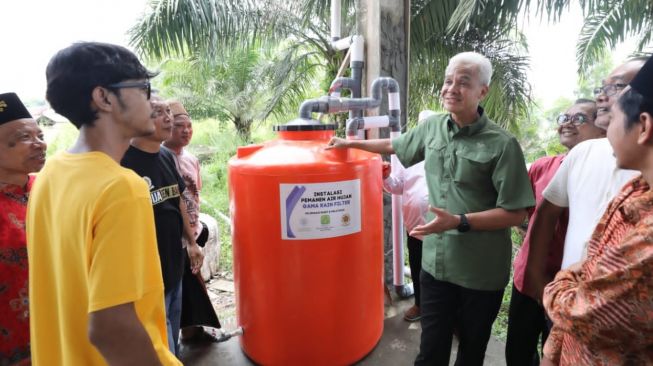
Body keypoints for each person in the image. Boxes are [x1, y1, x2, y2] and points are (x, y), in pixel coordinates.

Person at [327, 52, 535, 365]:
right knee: (430, 349)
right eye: (448, 80)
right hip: (436, 265)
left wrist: (459, 221)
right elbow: (394, 146)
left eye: (463, 82)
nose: (452, 88)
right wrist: (349, 144)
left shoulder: (502, 145)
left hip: (480, 271)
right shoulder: (433, 127)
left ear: (483, 91)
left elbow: (517, 213)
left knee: (471, 350)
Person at [26, 42, 180, 365]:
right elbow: (111, 328)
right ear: (104, 98)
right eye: (143, 89)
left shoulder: (48, 175)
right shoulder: (121, 187)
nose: (151, 102)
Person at [541, 57, 653, 365]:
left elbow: (582, 313)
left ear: (643, 126)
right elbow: (593, 257)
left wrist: (559, 284)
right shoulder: (637, 190)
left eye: (615, 116)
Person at [523, 58, 646, 306]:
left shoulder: (642, 176)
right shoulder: (584, 153)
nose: (602, 96)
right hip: (566, 300)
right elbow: (544, 214)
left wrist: (559, 296)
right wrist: (538, 279)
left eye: (617, 86)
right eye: (601, 88)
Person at [504, 99, 605, 365]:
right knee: (518, 352)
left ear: (603, 127)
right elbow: (522, 213)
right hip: (527, 281)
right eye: (564, 117)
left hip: (570, 288)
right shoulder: (542, 167)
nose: (568, 123)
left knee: (559, 355)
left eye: (580, 118)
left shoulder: (603, 173)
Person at [120, 96, 204, 356]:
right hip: (146, 272)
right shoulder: (123, 162)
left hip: (173, 263)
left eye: (168, 111)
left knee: (172, 331)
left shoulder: (166, 156)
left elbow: (176, 197)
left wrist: (191, 243)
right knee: (159, 340)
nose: (167, 117)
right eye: (157, 112)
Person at [163, 100, 221, 343]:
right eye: (179, 126)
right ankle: (179, 339)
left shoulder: (192, 159)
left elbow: (195, 195)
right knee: (180, 289)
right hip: (176, 239)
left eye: (189, 126)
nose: (186, 130)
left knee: (191, 287)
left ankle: (191, 332)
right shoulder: (161, 158)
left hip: (194, 233)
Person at [0, 92, 46, 365]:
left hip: (60, 330)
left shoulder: (48, 189)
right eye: (23, 138)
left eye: (39, 135)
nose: (39, 144)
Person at [381, 111, 433, 322]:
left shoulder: (448, 153)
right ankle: (420, 305)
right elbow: (398, 186)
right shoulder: (408, 156)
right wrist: (385, 176)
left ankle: (448, 315)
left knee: (441, 275)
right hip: (414, 227)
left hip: (440, 229)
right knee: (418, 268)